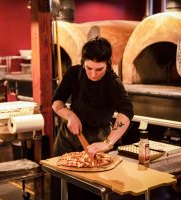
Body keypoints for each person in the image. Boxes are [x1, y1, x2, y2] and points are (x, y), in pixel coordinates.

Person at [50, 36, 134, 200]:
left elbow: (127, 111)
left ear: (107, 63)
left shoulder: (112, 82)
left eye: (99, 69)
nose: (93, 74)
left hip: (97, 142)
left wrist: (107, 143)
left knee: (89, 192)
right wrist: (69, 115)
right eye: (89, 68)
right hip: (67, 140)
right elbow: (56, 102)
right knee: (60, 189)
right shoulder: (74, 73)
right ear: (83, 61)